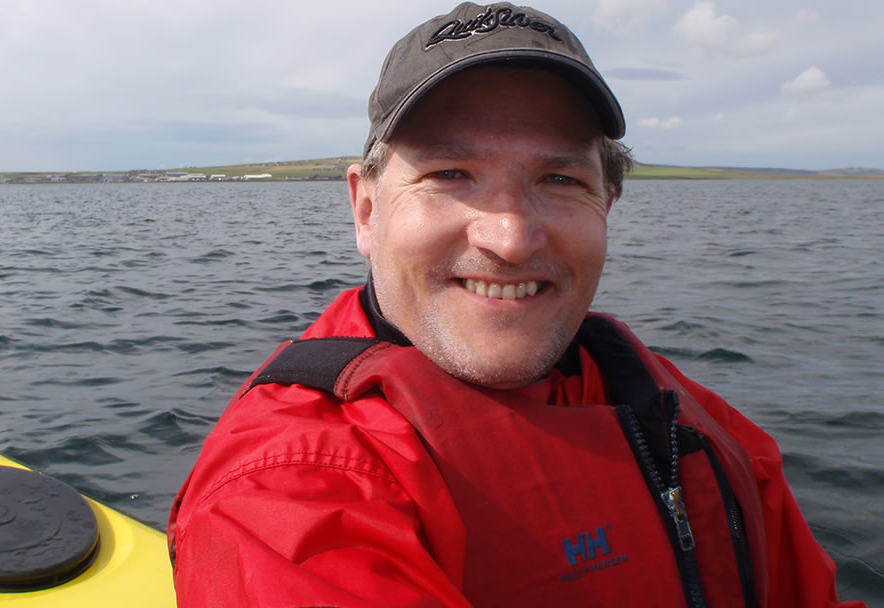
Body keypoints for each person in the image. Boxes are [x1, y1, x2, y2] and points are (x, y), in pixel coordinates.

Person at [168, 3, 864, 607]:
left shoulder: (697, 423)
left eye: (559, 178)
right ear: (366, 208)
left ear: (608, 204)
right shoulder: (293, 492)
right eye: (449, 175)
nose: (510, 237)